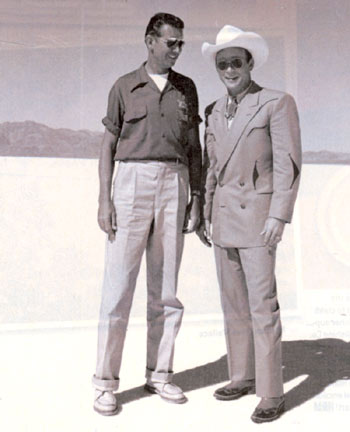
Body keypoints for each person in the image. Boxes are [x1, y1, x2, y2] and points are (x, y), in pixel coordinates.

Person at [92, 12, 202, 416]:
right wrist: (105, 200)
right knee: (118, 287)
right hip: (132, 182)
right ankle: (106, 383)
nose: (175, 50)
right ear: (150, 40)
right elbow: (107, 146)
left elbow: (194, 148)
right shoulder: (124, 86)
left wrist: (198, 197)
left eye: (181, 44)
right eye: (170, 42)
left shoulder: (186, 88)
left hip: (175, 182)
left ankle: (160, 375)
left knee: (166, 289)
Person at [198, 25, 301, 423]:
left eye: (235, 62)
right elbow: (211, 169)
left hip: (258, 220)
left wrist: (279, 214)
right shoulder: (212, 111)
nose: (229, 69)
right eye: (222, 63)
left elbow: (287, 165)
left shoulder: (275, 103)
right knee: (233, 306)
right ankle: (240, 376)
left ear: (249, 63)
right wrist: (206, 212)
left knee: (262, 308)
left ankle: (271, 393)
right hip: (223, 219)